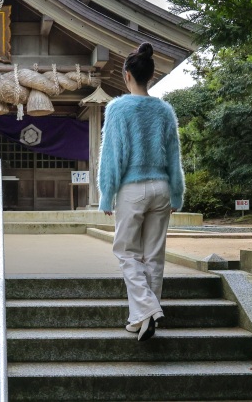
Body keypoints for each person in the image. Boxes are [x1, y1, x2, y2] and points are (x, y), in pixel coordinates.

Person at [98, 42, 185, 342]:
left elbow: (112, 156)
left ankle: (148, 310)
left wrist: (106, 194)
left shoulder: (118, 109)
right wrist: (177, 194)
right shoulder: (164, 111)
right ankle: (141, 318)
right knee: (154, 256)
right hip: (161, 187)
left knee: (126, 252)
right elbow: (174, 155)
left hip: (131, 188)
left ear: (127, 76)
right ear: (150, 76)